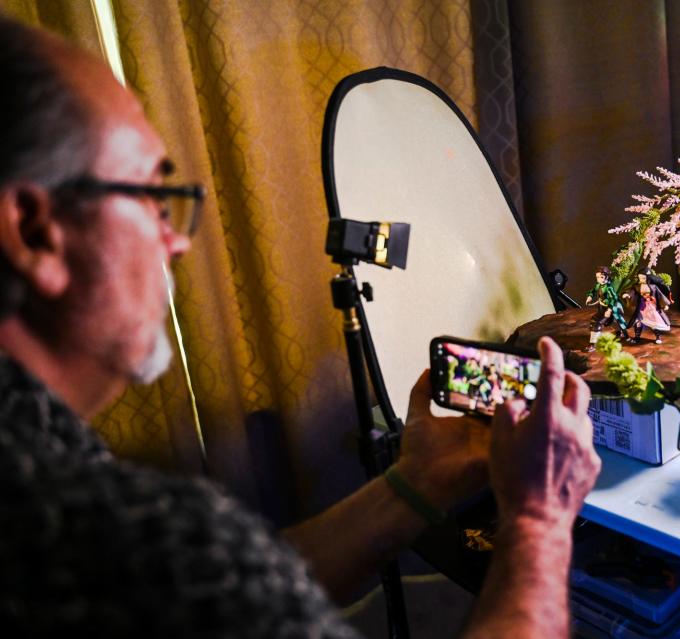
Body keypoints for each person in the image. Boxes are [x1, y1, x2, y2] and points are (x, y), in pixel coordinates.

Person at [0, 15, 601, 638]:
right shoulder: (101, 533)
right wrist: (539, 517)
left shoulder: (72, 495)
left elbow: (239, 593)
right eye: (150, 197)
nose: (175, 242)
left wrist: (416, 481)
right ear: (34, 231)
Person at [622, 269, 672, 345]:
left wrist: (664, 305)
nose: (641, 280)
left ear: (648, 278)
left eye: (643, 278)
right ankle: (637, 337)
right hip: (642, 307)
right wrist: (628, 294)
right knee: (638, 321)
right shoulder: (637, 286)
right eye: (640, 278)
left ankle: (658, 336)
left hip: (652, 308)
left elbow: (660, 296)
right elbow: (632, 291)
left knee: (654, 323)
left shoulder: (654, 287)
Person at [584, 265, 627, 351]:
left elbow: (614, 298)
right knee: (599, 321)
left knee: (597, 323)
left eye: (602, 277)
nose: (599, 279)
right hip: (601, 308)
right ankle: (619, 332)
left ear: (607, 277)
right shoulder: (598, 285)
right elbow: (593, 290)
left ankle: (593, 344)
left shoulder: (609, 288)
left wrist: (609, 310)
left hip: (608, 309)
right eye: (597, 277)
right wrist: (589, 297)